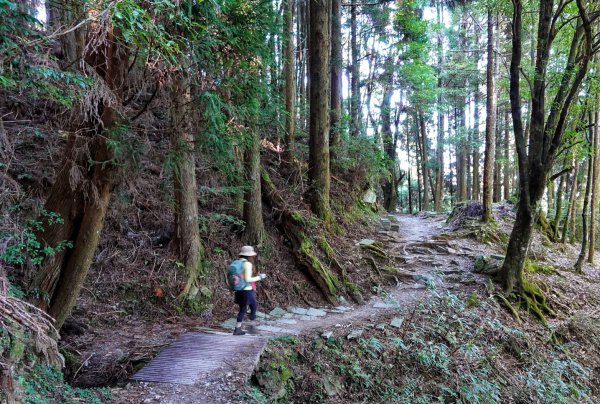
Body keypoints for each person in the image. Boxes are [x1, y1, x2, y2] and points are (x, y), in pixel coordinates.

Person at [233, 246, 266, 335]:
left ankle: (239, 328)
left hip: (239, 290)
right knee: (252, 306)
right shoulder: (247, 264)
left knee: (244, 308)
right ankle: (250, 326)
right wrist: (259, 277)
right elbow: (247, 279)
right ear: (249, 256)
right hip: (246, 290)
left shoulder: (238, 262)